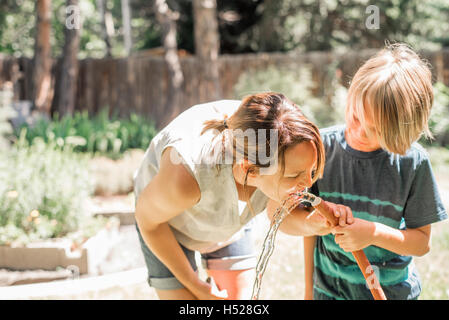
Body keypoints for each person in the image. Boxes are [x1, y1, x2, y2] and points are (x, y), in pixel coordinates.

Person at [133, 92, 353, 300]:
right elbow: (149, 223)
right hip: (165, 227)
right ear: (249, 170)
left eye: (311, 171)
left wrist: (312, 224)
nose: (307, 184)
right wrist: (197, 286)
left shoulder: (276, 144)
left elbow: (277, 212)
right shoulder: (186, 177)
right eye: (295, 175)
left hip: (226, 223)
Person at [304, 43, 448, 300]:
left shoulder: (412, 163)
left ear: (399, 132)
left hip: (392, 293)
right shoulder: (321, 149)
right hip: (329, 292)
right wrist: (308, 292)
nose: (358, 131)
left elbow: (421, 243)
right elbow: (309, 233)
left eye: (374, 130)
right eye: (355, 116)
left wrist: (371, 233)